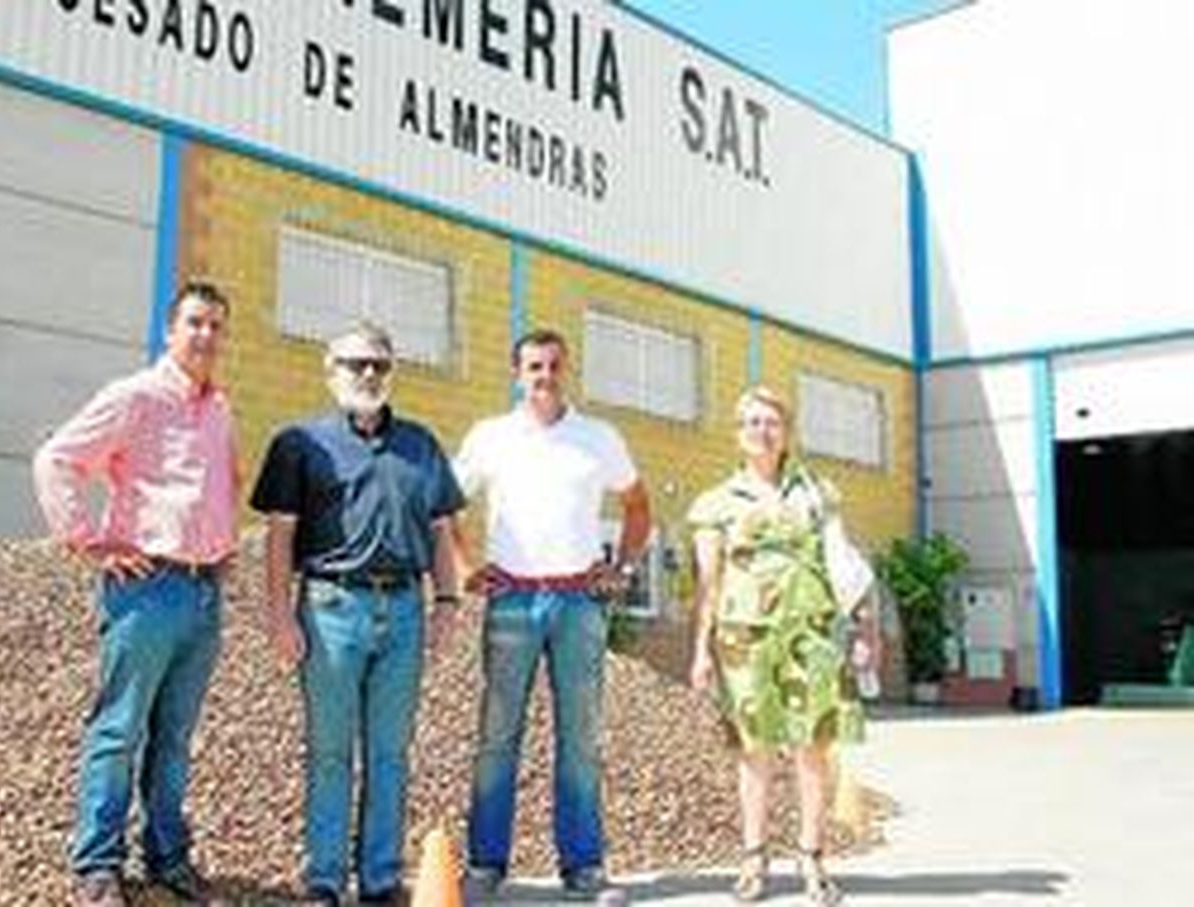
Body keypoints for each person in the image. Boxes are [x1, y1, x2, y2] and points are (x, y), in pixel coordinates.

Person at [33, 281, 239, 907]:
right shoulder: (135, 397)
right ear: (170, 330)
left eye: (215, 326)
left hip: (204, 594)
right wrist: (88, 540)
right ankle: (98, 864)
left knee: (174, 736)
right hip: (146, 591)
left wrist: (222, 548)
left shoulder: (220, 408)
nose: (205, 335)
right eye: (195, 323)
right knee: (120, 729)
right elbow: (56, 460)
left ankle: (168, 859)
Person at [251, 322, 465, 905]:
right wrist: (278, 615)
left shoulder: (421, 445)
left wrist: (447, 603)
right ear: (330, 369)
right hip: (330, 610)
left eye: (379, 365)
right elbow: (278, 535)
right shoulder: (299, 444)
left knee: (391, 753)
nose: (367, 375)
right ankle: (323, 880)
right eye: (355, 364)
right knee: (329, 751)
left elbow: (443, 531)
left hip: (404, 612)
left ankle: (379, 880)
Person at [453, 328, 652, 899]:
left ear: (568, 372)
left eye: (554, 367)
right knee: (497, 736)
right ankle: (486, 864)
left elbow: (637, 504)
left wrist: (625, 569)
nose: (544, 376)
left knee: (581, 739)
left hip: (578, 605)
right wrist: (466, 565)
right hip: (511, 600)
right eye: (534, 367)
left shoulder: (598, 437)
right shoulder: (491, 437)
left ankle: (584, 865)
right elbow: (446, 502)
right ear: (517, 373)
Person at [686, 385, 882, 905]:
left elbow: (845, 563)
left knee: (811, 751)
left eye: (771, 421)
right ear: (737, 434)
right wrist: (701, 651)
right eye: (751, 422)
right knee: (753, 752)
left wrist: (863, 629)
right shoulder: (716, 503)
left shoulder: (818, 493)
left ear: (787, 431)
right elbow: (709, 582)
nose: (762, 430)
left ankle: (812, 859)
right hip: (743, 639)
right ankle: (754, 861)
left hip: (812, 636)